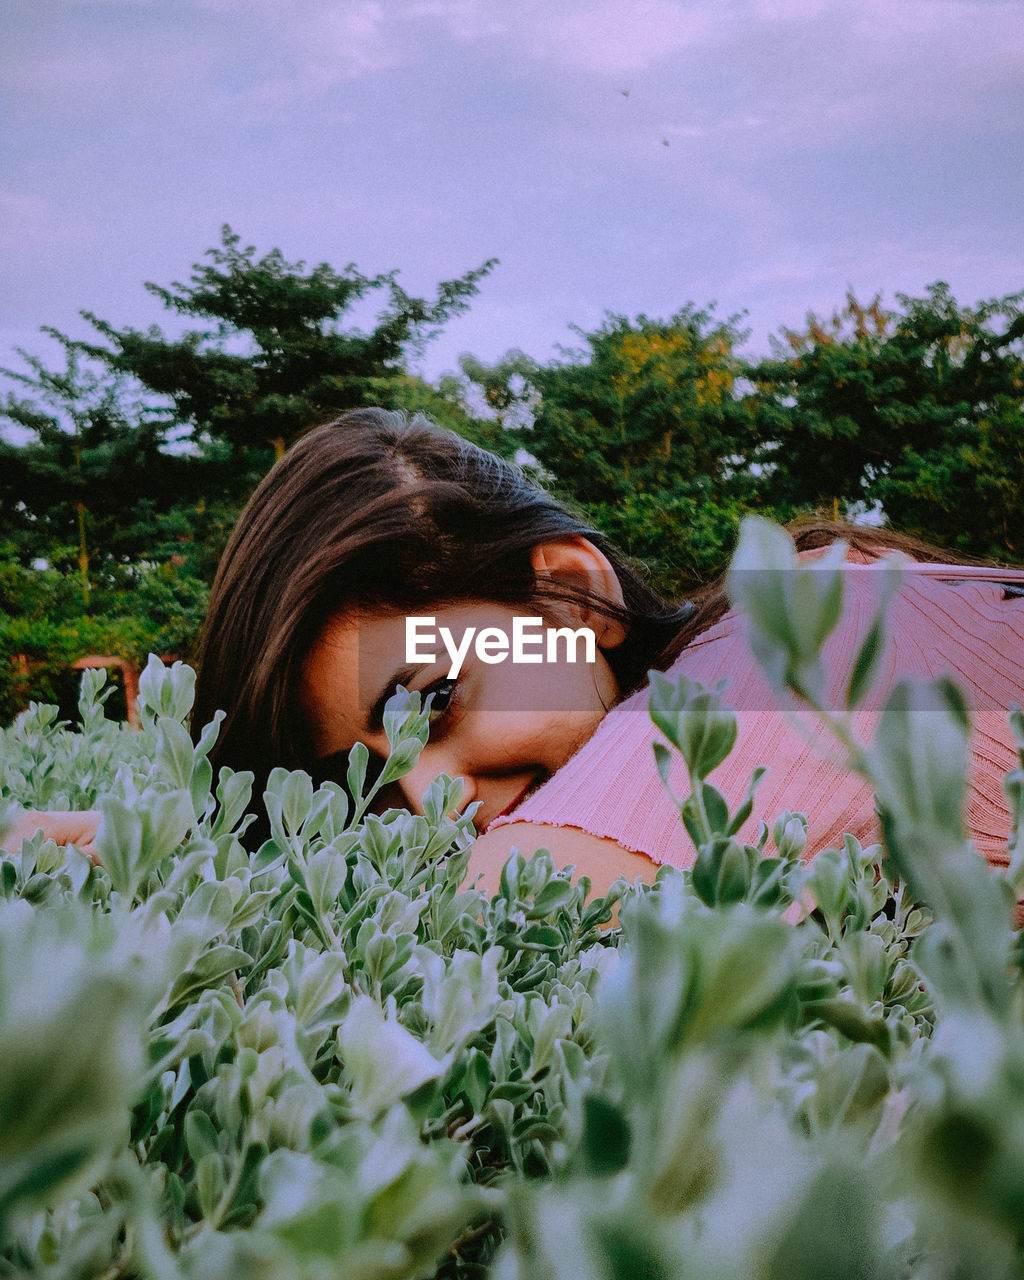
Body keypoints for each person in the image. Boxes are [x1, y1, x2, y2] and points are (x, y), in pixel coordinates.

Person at [6, 408, 1024, 891]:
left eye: (433, 698)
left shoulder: (805, 640)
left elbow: (522, 896)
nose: (430, 796)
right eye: (363, 779)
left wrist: (165, 849)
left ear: (569, 591)